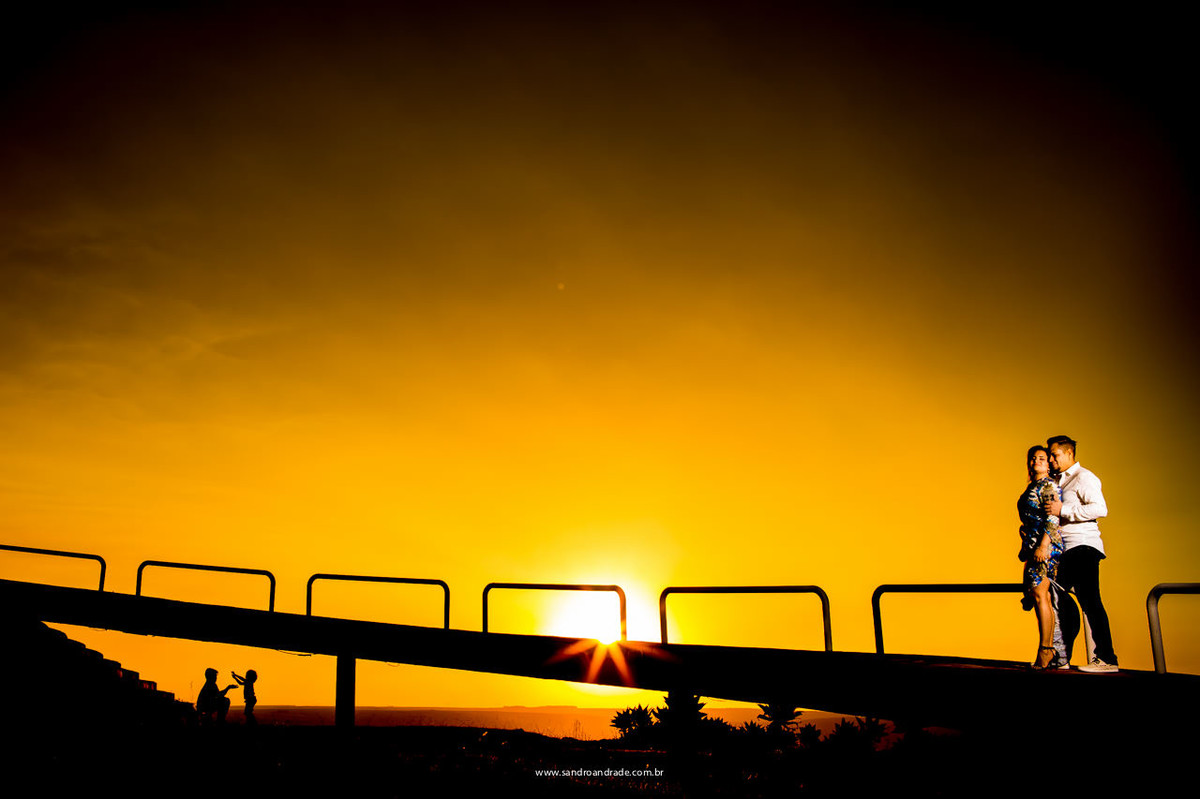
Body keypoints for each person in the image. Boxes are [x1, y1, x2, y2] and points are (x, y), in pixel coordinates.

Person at [1042, 435, 1119, 672]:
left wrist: (1063, 508)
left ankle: (1107, 658)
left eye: (1055, 455)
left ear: (1069, 453)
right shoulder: (1058, 482)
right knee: (1058, 597)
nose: (1052, 460)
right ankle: (1063, 656)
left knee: (1090, 601)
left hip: (1083, 546)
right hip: (1065, 550)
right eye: (1051, 455)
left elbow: (1100, 508)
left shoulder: (1084, 477)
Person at [1017, 445, 1067, 669]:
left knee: (1040, 595)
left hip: (1045, 546)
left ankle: (1046, 650)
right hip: (1033, 545)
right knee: (1037, 595)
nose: (1036, 461)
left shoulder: (1047, 484)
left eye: (1041, 458)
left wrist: (1043, 546)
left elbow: (1053, 518)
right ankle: (1048, 649)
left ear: (1049, 464)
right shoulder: (1034, 485)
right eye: (1033, 458)